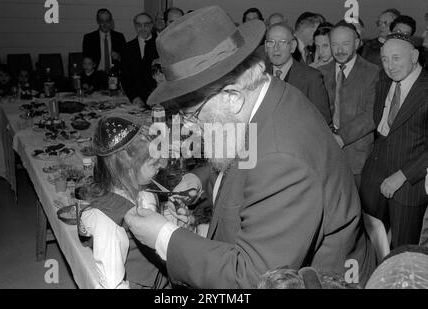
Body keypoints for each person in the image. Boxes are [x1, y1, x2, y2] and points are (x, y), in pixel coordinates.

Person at [124, 6, 376, 288]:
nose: (187, 128)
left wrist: (164, 236)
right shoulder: (264, 97)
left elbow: (251, 278)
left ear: (231, 97)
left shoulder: (283, 159)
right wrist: (200, 180)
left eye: (191, 115)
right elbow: (246, 157)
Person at [77, 116, 172, 289]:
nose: (162, 166)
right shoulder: (108, 221)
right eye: (153, 163)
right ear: (128, 169)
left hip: (162, 277)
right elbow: (112, 282)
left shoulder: (142, 187)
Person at [360, 33, 428, 249]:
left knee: (402, 250)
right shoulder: (383, 80)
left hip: (408, 184)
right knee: (370, 243)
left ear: (414, 56)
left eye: (396, 58)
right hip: (374, 176)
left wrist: (403, 176)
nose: (390, 66)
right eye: (385, 59)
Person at [318, 21, 379, 187]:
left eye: (345, 44)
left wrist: (340, 137)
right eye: (334, 44)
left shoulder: (373, 73)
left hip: (358, 160)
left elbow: (372, 114)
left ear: (357, 44)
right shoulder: (320, 73)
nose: (339, 50)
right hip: (325, 157)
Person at [264, 22, 331, 124]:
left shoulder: (311, 77)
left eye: (282, 42)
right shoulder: (257, 76)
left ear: (293, 46)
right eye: (271, 42)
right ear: (265, 46)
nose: (276, 48)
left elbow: (322, 119)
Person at [121, 12, 158, 108]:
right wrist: (134, 97)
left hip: (159, 98)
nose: (142, 28)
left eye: (146, 25)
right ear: (135, 26)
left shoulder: (160, 44)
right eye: (139, 25)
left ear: (151, 25)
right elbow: (125, 78)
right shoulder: (127, 48)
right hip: (138, 100)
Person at [82, 8, 126, 73]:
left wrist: (119, 57)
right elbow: (86, 61)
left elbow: (126, 59)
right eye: (102, 21)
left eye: (107, 20)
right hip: (96, 75)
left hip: (114, 74)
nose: (105, 24)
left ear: (111, 21)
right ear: (98, 21)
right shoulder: (89, 38)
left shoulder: (119, 37)